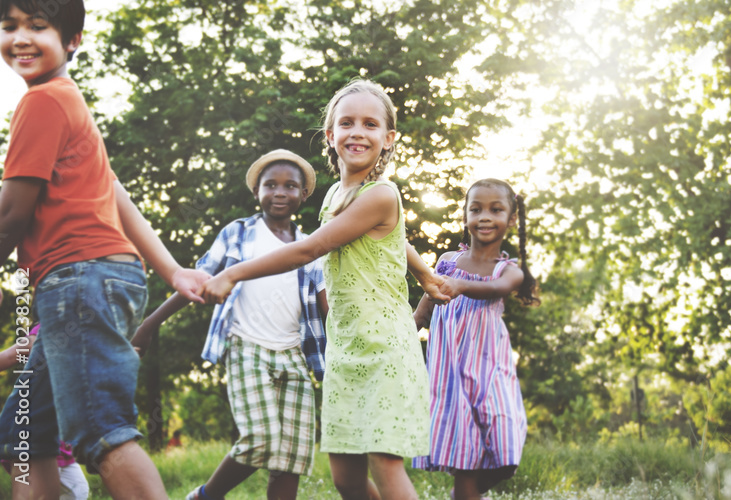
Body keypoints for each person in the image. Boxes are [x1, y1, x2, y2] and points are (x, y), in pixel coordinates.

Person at [200, 78, 452, 500]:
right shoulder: (335, 193)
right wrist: (424, 273)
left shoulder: (382, 194)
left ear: (388, 139)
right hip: (345, 349)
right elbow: (390, 237)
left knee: (385, 466)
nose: (357, 132)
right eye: (347, 122)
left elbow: (312, 248)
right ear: (330, 135)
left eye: (370, 124)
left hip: (384, 347)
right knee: (346, 480)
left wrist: (235, 273)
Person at [0, 0, 210, 498]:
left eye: (38, 26)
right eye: (9, 27)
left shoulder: (44, 101)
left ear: (72, 41)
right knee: (22, 437)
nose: (21, 37)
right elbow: (118, 197)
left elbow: (11, 215)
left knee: (99, 431)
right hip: (89, 279)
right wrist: (173, 269)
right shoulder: (69, 104)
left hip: (78, 279)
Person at [130, 149, 375, 500]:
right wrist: (149, 325)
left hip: (295, 355)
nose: (279, 192)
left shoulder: (310, 247)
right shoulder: (239, 233)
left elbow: (328, 309)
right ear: (256, 191)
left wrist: (356, 350)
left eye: (290, 186)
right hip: (246, 346)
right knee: (260, 439)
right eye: (270, 184)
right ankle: (205, 496)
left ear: (303, 195)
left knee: (291, 457)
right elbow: (197, 281)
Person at [411, 179, 538, 500]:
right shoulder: (446, 262)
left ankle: (462, 495)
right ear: (465, 215)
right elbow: (422, 314)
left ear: (510, 219)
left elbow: (495, 290)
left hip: (491, 376)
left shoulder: (508, 271)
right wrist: (402, 340)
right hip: (451, 380)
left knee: (507, 454)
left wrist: (462, 286)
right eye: (476, 208)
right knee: (466, 464)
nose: (484, 216)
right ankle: (464, 493)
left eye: (496, 210)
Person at [0, 325, 90, 500]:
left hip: (58, 437)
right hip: (30, 429)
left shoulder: (87, 331)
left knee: (78, 491)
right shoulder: (45, 330)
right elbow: (9, 357)